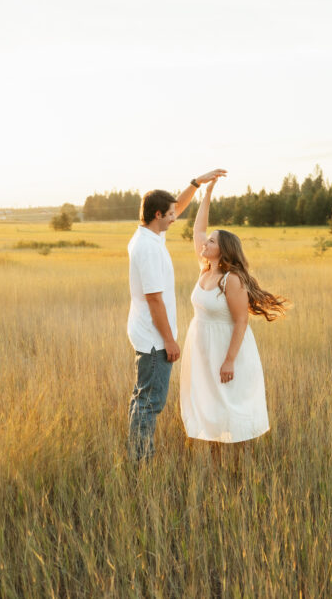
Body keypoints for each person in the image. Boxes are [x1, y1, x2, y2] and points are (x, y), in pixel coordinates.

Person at [127, 169, 228, 462]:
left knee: (141, 396)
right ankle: (141, 462)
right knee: (150, 402)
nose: (176, 217)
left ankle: (137, 454)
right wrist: (170, 342)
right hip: (155, 338)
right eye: (170, 214)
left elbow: (178, 207)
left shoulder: (149, 233)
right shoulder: (148, 248)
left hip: (148, 333)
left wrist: (197, 183)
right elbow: (154, 299)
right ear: (158, 215)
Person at [179, 177, 287, 445]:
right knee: (209, 404)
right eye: (207, 241)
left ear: (223, 250)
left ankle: (237, 465)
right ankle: (216, 462)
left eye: (212, 242)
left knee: (230, 406)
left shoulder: (232, 279)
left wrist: (229, 361)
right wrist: (207, 193)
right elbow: (197, 230)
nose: (205, 244)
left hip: (226, 348)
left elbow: (241, 322)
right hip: (203, 346)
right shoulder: (205, 269)